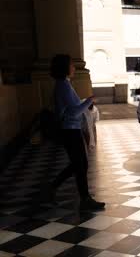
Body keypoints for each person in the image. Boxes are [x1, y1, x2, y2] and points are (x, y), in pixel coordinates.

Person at [47, 54, 105, 211]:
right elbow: (74, 112)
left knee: (79, 164)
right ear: (64, 67)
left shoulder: (64, 84)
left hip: (71, 129)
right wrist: (89, 100)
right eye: (71, 65)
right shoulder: (63, 85)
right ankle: (84, 199)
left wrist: (85, 101)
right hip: (70, 130)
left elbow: (72, 107)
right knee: (80, 164)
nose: (73, 67)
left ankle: (57, 188)